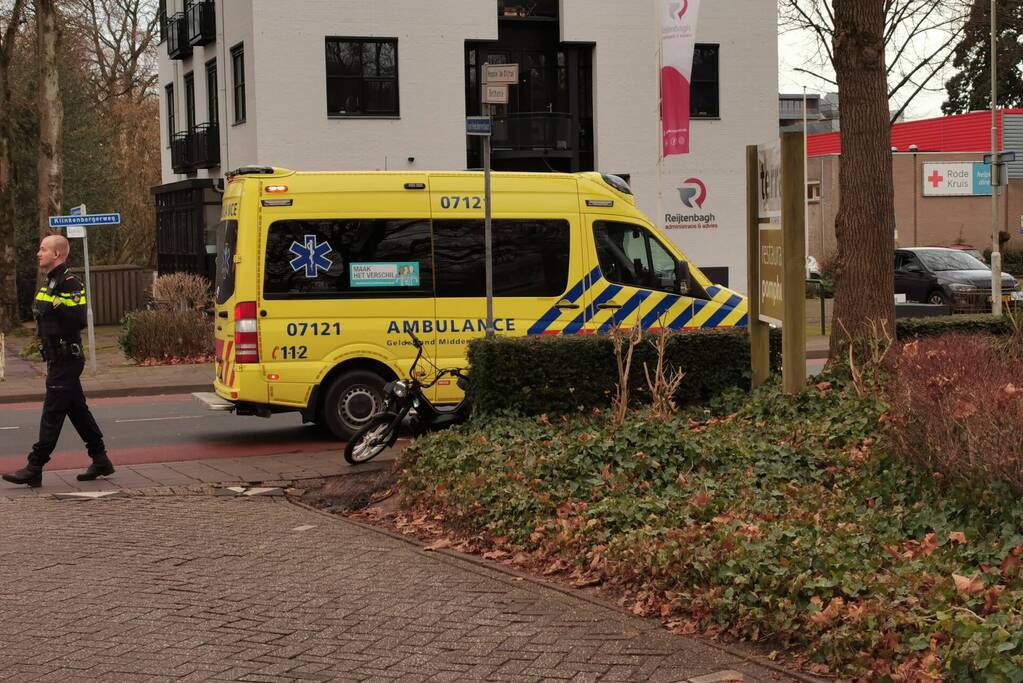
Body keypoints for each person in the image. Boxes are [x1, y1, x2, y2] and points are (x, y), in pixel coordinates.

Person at [2, 235, 114, 488]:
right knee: (77, 411)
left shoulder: (70, 283)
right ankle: (100, 458)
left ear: (58, 255)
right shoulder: (50, 282)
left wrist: (55, 303)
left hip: (67, 359)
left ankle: (35, 466)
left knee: (52, 413)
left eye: (43, 249)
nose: (38, 253)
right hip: (57, 358)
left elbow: (78, 319)